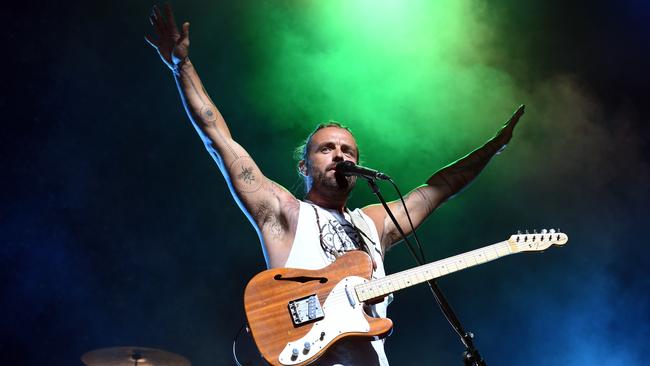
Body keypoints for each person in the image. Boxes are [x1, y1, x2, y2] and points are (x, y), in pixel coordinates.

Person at [146, 4, 525, 365]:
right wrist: (182, 66)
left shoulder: (373, 223)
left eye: (348, 150)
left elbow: (438, 189)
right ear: (304, 165)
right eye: (327, 149)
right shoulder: (284, 212)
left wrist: (492, 149)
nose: (341, 156)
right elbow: (218, 137)